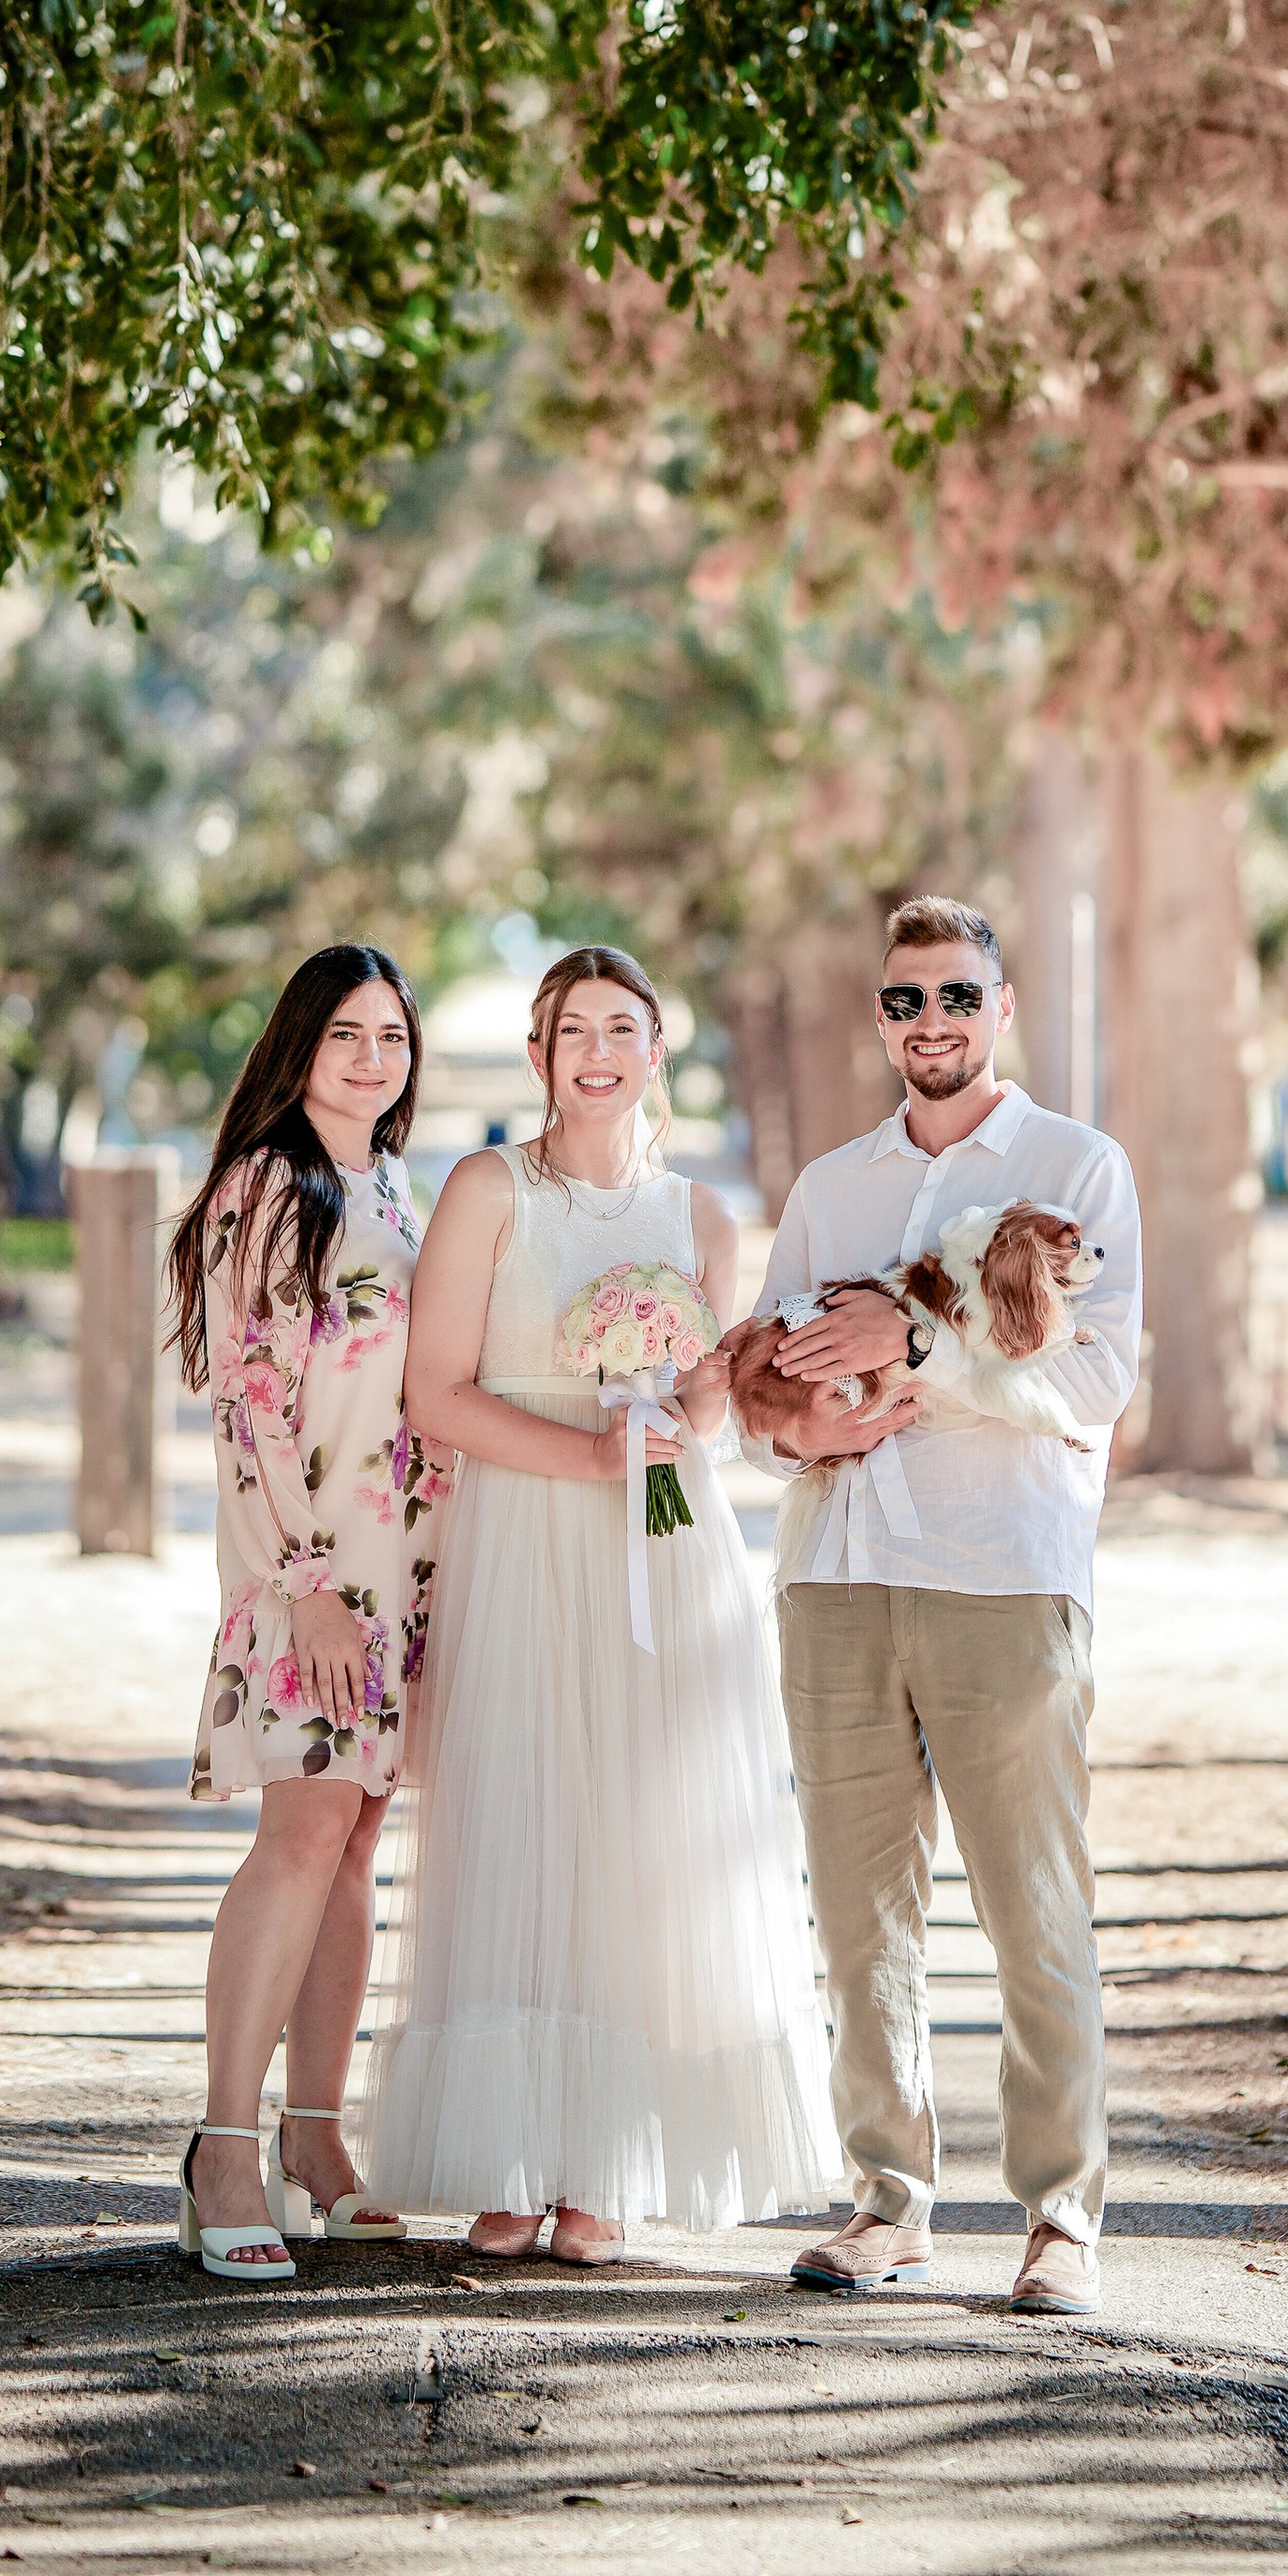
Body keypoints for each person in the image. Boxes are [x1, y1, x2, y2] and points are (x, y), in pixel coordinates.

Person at [368, 943, 837, 2261]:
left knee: (638, 1834)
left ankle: (609, 2167)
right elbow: (437, 1393)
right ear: (539, 1055)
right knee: (521, 1817)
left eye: (622, 1028)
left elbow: (706, 1391)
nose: (597, 1051)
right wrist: (584, 1452)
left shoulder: (701, 1220)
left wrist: (681, 1408)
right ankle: (509, 2157)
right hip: (524, 1530)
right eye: (573, 1029)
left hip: (665, 1542)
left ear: (654, 1051)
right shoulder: (485, 1190)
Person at [730, 895, 1142, 2320]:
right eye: (905, 1000)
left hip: (1002, 1576)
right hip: (838, 1578)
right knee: (860, 1917)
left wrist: (923, 1351)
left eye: (957, 995)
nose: (931, 1023)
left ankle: (1062, 2219)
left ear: (1002, 1006)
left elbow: (1095, 1384)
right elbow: (759, 1390)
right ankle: (889, 2203)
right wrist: (803, 1435)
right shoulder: (831, 1188)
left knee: (1035, 1906)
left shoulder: (1079, 1171)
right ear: (882, 1017)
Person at [163, 943, 449, 2283]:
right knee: (300, 1835)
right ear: (297, 1046)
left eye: (390, 1035)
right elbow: (251, 1410)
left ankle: (316, 2138)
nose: (372, 1057)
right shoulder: (263, 1191)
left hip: (407, 1575)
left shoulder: (393, 1187)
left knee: (355, 1846)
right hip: (314, 1575)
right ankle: (224, 2145)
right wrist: (310, 1586)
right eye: (346, 1033)